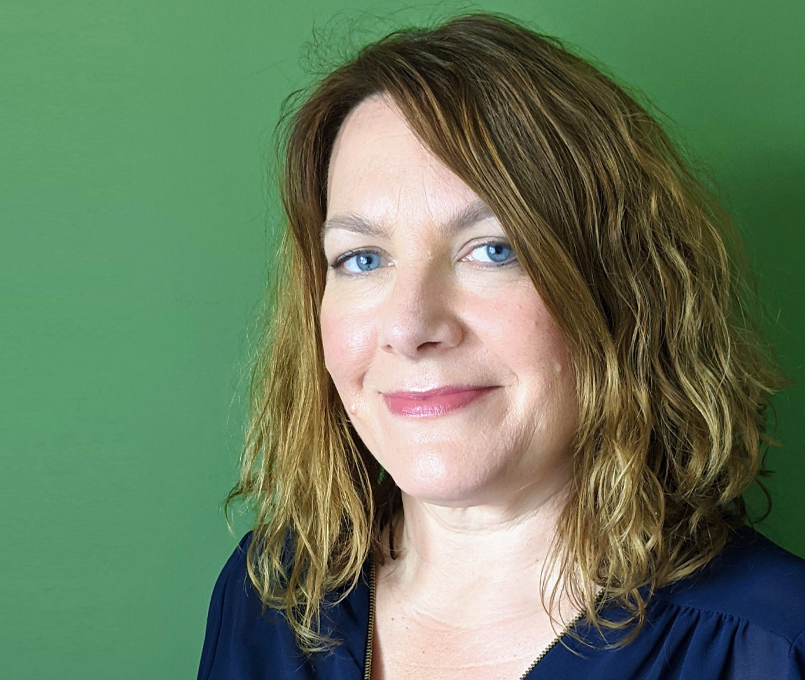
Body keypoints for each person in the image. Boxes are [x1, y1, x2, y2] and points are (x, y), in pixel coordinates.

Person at [197, 11, 805, 680]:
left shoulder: (772, 644)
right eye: (362, 259)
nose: (409, 325)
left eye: (493, 249)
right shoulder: (269, 595)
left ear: (618, 292)